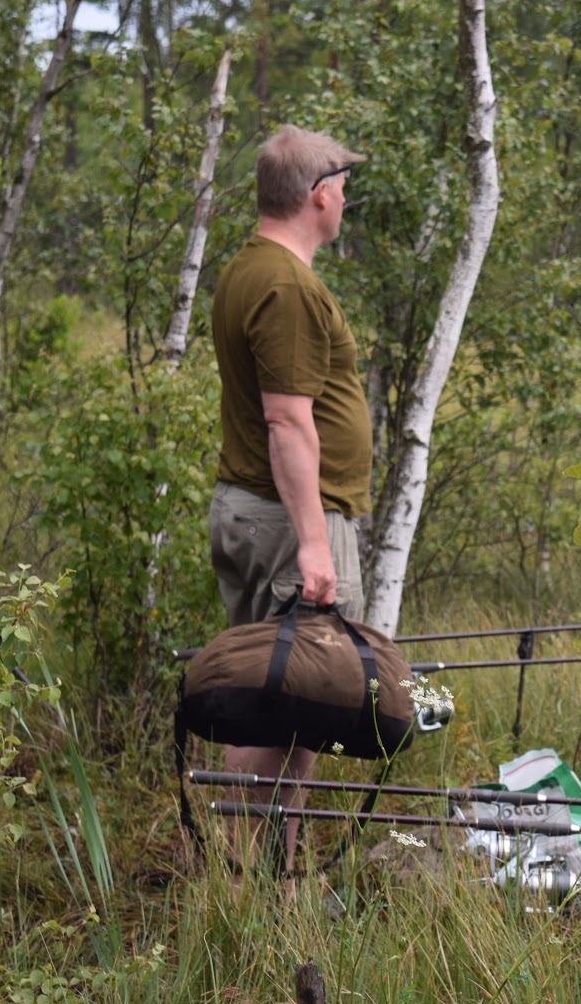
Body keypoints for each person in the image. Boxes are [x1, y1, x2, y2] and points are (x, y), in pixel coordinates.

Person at [208, 124, 370, 873]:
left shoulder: (251, 268)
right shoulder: (287, 286)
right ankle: (249, 887)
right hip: (288, 527)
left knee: (284, 703)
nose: (345, 198)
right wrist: (313, 544)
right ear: (319, 195)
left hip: (263, 515)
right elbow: (286, 420)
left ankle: (268, 883)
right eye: (343, 186)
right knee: (285, 707)